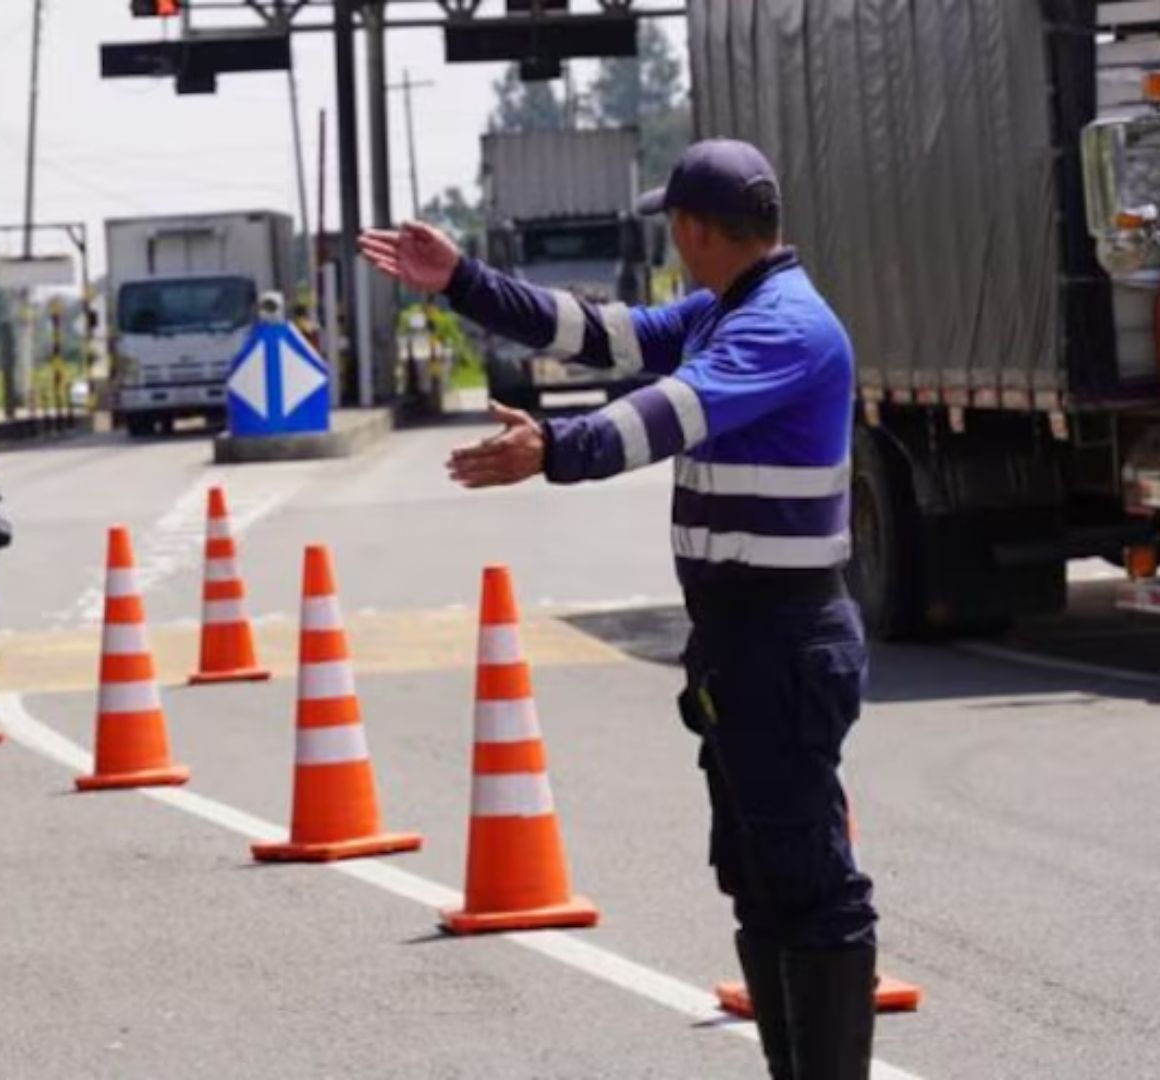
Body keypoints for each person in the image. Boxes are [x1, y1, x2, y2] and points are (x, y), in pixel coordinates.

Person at [361, 139, 876, 1079]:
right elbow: (597, 334)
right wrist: (464, 281)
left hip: (786, 635)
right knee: (757, 878)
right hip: (739, 636)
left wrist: (553, 448)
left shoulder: (783, 329)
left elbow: (665, 412)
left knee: (809, 883)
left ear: (689, 229)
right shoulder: (727, 309)